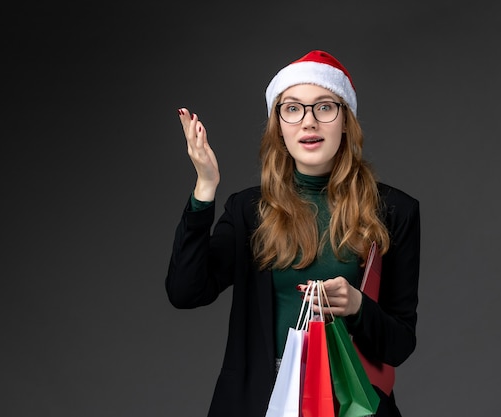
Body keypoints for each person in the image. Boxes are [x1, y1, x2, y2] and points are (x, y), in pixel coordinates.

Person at [165, 50, 420, 417]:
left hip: (354, 401)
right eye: (293, 108)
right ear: (279, 125)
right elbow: (185, 292)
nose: (309, 122)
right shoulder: (249, 211)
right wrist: (205, 187)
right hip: (264, 401)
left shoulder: (395, 211)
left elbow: (399, 346)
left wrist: (358, 307)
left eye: (325, 107)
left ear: (345, 121)